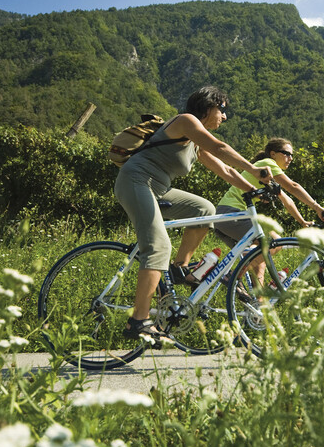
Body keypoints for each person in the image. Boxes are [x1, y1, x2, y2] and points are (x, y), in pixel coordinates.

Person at [114, 86, 273, 344]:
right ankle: (138, 321)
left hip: (159, 189)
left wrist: (256, 190)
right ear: (208, 106)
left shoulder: (194, 143)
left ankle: (179, 268)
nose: (224, 116)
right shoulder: (186, 122)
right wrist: (254, 168)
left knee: (204, 210)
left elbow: (226, 171)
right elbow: (220, 147)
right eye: (222, 110)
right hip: (136, 181)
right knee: (158, 247)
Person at [214, 137, 324, 285]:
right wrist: (318, 208)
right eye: (286, 153)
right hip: (231, 213)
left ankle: (259, 304)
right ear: (273, 154)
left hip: (227, 218)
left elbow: (287, 200)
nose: (290, 158)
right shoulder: (267, 164)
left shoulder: (269, 176)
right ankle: (231, 276)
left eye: (292, 155)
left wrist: (302, 222)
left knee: (260, 262)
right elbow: (293, 186)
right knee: (275, 242)